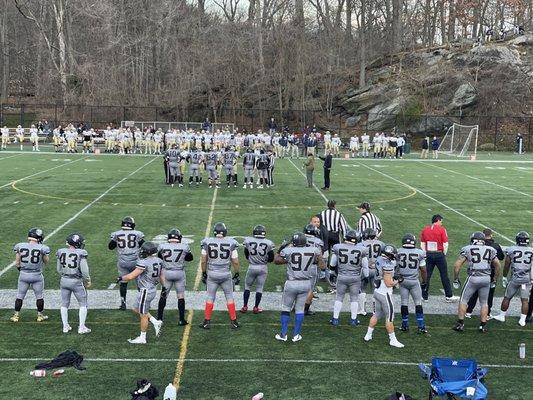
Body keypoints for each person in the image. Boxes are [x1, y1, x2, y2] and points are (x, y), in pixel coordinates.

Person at [274, 232, 324, 342]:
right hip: (306, 283)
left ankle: (283, 334)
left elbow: (276, 260)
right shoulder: (313, 250)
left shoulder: (288, 250)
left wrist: (282, 248)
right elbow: (322, 264)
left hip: (292, 283)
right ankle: (296, 335)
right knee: (300, 309)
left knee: (286, 308)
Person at [453, 232, 500, 333]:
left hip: (473, 277)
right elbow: (497, 265)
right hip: (486, 278)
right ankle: (482, 326)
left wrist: (456, 278)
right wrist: (495, 278)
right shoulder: (491, 249)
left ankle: (460, 324)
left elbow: (457, 265)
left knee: (463, 300)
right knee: (484, 303)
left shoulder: (467, 248)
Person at [118, 242, 164, 344]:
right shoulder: (159, 261)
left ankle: (142, 338)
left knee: (143, 315)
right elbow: (161, 275)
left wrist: (121, 278)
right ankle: (155, 321)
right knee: (135, 308)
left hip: (146, 290)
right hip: (151, 289)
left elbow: (131, 276)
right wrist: (164, 287)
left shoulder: (144, 262)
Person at [199, 222, 241, 329]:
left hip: (212, 273)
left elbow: (203, 261)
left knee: (210, 297)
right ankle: (234, 321)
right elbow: (235, 261)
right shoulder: (232, 242)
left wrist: (204, 273)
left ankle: (206, 321)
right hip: (226, 273)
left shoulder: (206, 242)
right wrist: (237, 273)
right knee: (229, 297)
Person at [363, 245, 404, 348]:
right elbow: (388, 283)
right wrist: (397, 281)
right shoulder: (387, 264)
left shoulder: (379, 259)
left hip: (377, 292)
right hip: (385, 294)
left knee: (376, 314)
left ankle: (368, 335)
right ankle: (393, 340)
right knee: (389, 318)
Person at [492, 231, 533, 326]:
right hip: (526, 279)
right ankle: (522, 320)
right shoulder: (531, 250)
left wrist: (505, 276)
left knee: (507, 297)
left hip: (515, 279)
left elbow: (507, 265)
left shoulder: (511, 249)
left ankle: (502, 316)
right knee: (525, 300)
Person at [10, 228, 50, 323]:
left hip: (24, 274)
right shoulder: (43, 248)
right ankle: (40, 316)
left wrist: (22, 270)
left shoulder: (20, 246)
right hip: (37, 275)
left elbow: (17, 263)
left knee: (20, 295)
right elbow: (46, 261)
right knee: (39, 296)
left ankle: (16, 316)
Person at [329, 230, 368, 326]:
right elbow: (365, 265)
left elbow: (333, 262)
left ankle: (335, 319)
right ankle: (353, 320)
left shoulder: (338, 247)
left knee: (339, 297)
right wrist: (366, 276)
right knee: (354, 298)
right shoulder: (361, 249)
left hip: (342, 276)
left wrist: (331, 272)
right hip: (355, 277)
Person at [156, 228, 193, 326]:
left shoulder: (162, 246)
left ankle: (159, 319)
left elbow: (159, 257)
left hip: (166, 273)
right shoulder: (184, 246)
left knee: (163, 295)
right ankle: (181, 320)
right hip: (179, 273)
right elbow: (190, 258)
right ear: (179, 238)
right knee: (180, 296)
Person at [56, 233, 91, 334]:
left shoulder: (61, 252)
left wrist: (65, 275)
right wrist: (87, 280)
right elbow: (84, 271)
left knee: (64, 303)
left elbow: (58, 269)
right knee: (83, 304)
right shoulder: (81, 253)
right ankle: (81, 327)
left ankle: (65, 326)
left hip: (64, 280)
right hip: (76, 281)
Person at [465, 228, 504, 318]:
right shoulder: (495, 246)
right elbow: (501, 257)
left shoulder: (475, 245)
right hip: (490, 272)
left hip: (476, 270)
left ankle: (469, 311)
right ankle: (487, 314)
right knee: (489, 294)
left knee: (474, 292)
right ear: (491, 235)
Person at [109, 216, 145, 310]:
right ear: (133, 225)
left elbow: (110, 247)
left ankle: (123, 303)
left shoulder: (117, 234)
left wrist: (115, 240)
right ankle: (142, 302)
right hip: (135, 261)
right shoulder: (137, 234)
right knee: (140, 282)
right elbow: (144, 246)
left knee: (123, 282)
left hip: (122, 261)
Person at [420, 214, 458, 302]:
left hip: (428, 254)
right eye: (441, 221)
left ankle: (424, 296)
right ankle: (449, 296)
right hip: (439, 254)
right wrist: (443, 254)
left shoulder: (425, 229)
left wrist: (425, 253)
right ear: (437, 220)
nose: (441, 223)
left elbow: (422, 243)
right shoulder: (442, 230)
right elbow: (445, 244)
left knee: (426, 276)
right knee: (444, 276)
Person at [397, 234, 428, 334]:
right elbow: (423, 269)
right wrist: (424, 281)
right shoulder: (420, 253)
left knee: (404, 302)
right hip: (414, 281)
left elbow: (393, 266)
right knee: (418, 303)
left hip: (402, 281)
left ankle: (405, 325)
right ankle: (421, 326)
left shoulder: (398, 251)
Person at [241, 225, 275, 313]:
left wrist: (250, 259)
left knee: (247, 286)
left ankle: (245, 306)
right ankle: (256, 307)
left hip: (252, 266)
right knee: (259, 287)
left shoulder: (248, 241)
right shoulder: (269, 243)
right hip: (263, 267)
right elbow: (271, 257)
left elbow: (246, 253)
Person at [358, 228, 385, 315]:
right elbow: (385, 257)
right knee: (375, 289)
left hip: (365, 269)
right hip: (377, 269)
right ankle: (375, 311)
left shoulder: (360, 244)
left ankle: (362, 310)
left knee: (362, 288)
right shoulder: (381, 244)